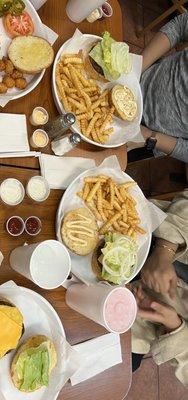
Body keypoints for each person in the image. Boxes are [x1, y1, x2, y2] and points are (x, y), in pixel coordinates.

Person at [131, 189, 188, 386]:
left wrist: (174, 325)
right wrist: (165, 249)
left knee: (122, 366)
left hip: (153, 318)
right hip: (156, 236)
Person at [128, 12, 188, 162]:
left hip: (149, 136)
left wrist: (150, 137)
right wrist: (137, 70)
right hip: (138, 79)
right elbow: (180, 26)